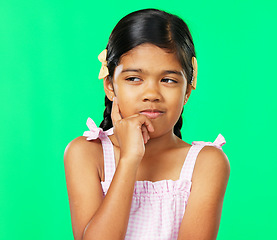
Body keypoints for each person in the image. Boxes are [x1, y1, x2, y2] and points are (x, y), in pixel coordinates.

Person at [64, 8, 230, 240]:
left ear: (188, 91)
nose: (151, 93)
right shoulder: (86, 153)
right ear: (110, 85)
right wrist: (130, 158)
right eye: (134, 78)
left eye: (168, 80)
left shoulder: (206, 163)